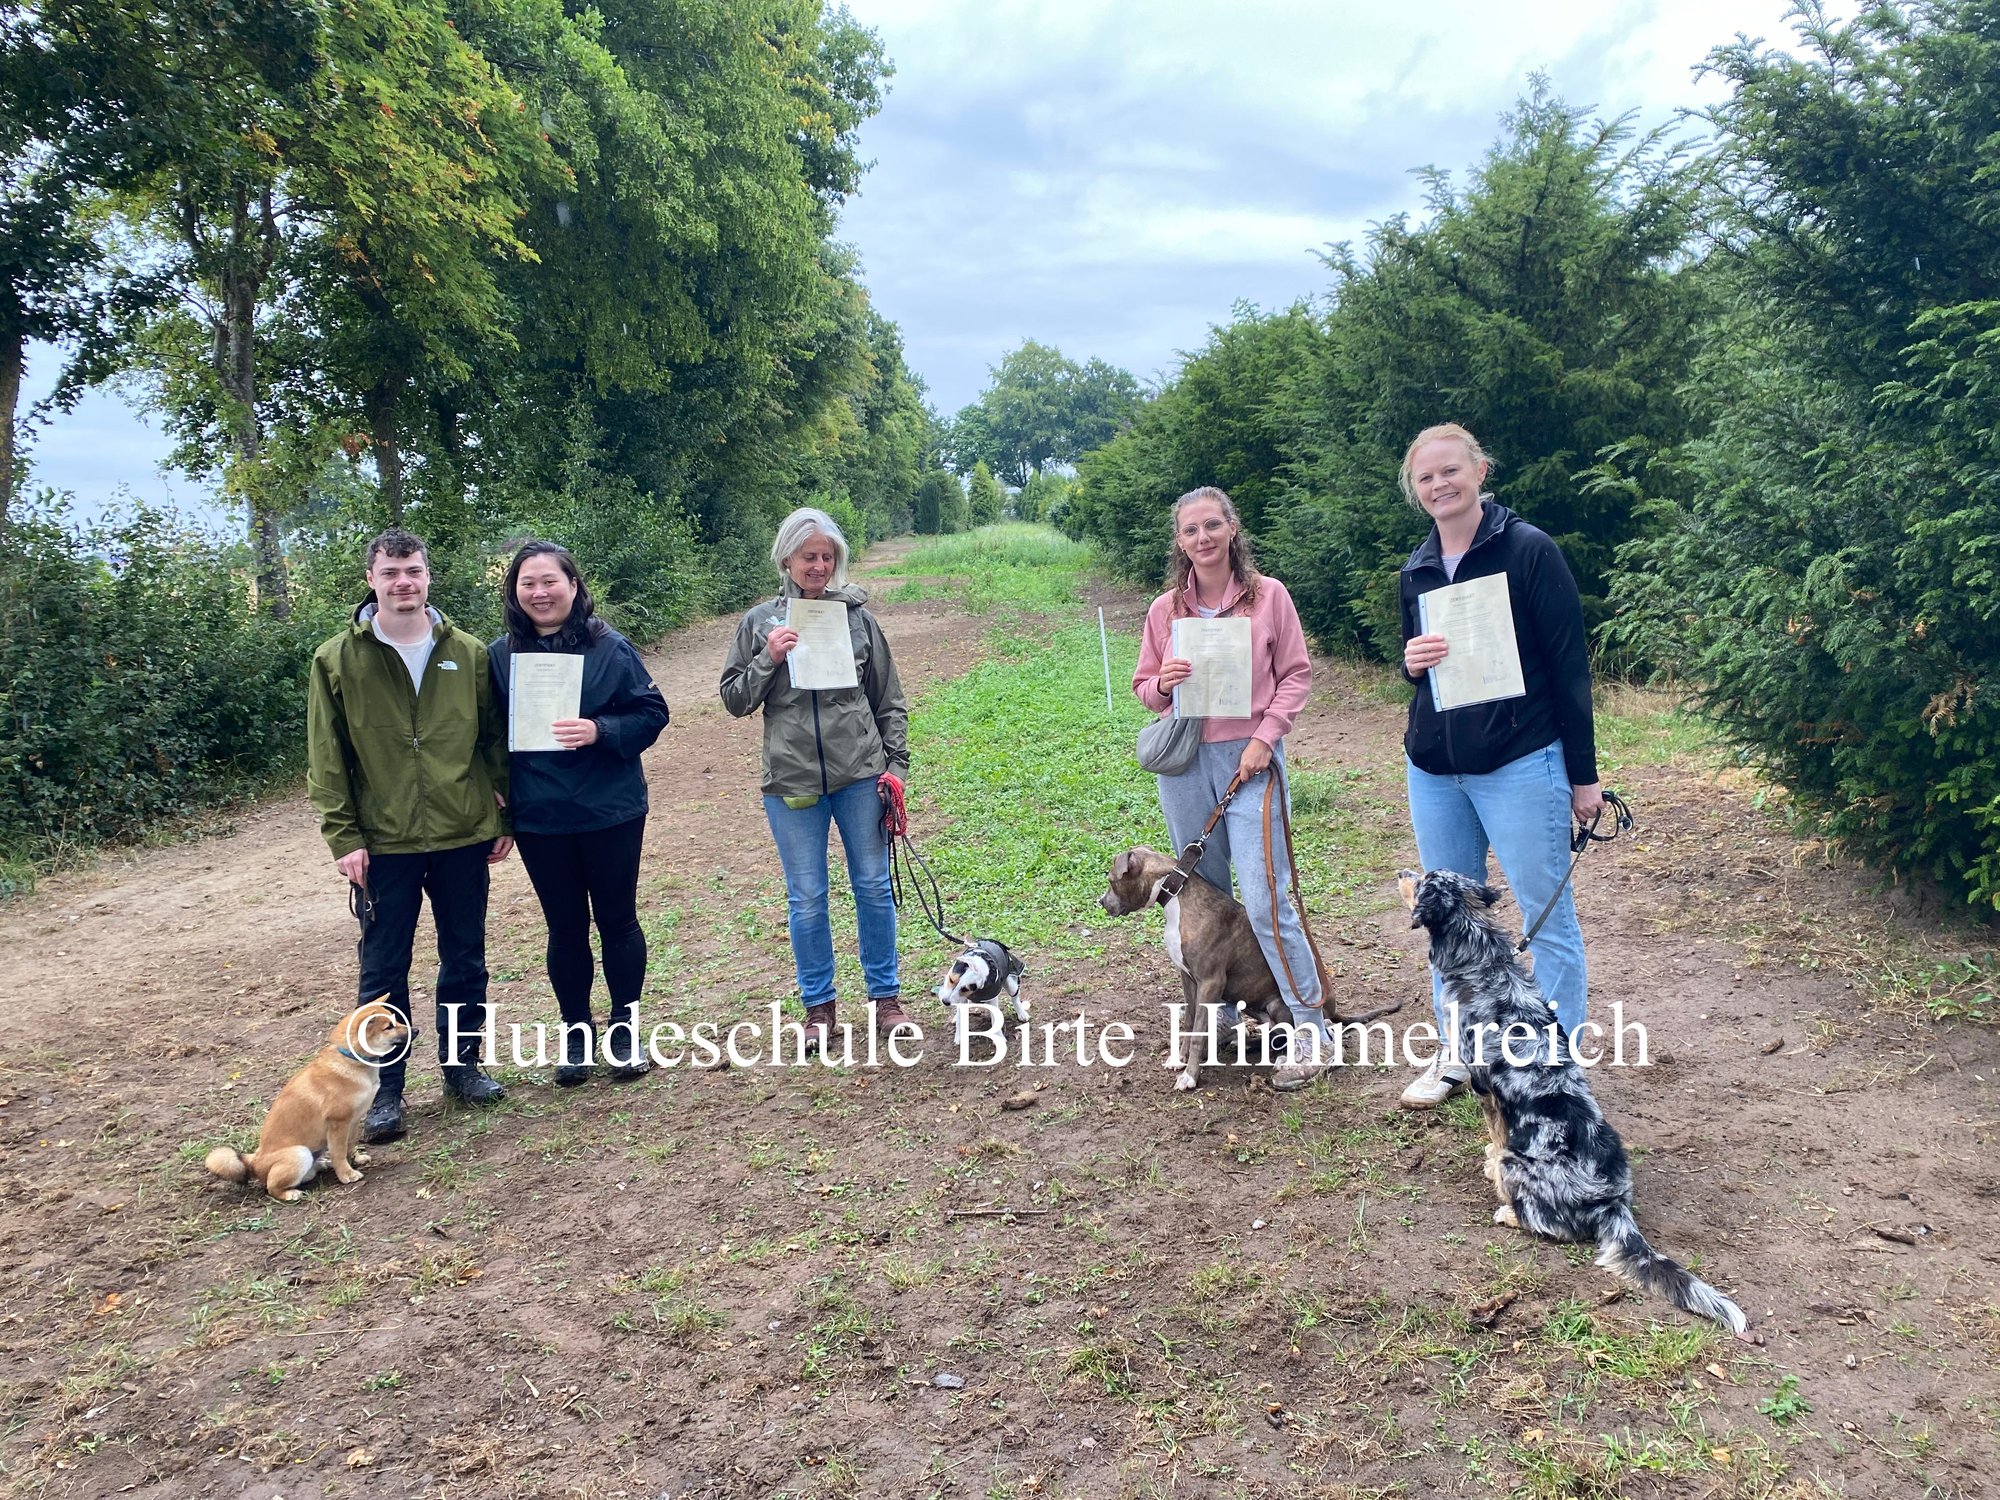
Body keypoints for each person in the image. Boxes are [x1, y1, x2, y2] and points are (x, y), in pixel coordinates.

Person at [1395, 423, 1603, 1109]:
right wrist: (1411, 664)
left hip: (1520, 763)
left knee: (1548, 920)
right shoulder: (1417, 570)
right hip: (1436, 773)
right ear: (1415, 489)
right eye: (1426, 477)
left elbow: (1569, 668)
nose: (1440, 485)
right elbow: (1421, 671)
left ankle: (1556, 1069)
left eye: (1450, 470)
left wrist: (1583, 775)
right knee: (1445, 917)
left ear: (1480, 471)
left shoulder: (1529, 550)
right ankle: (1457, 1055)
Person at [306, 527, 512, 1143]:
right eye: (391, 573)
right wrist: (344, 836)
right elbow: (326, 757)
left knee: (465, 957)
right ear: (371, 580)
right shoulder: (336, 660)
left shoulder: (467, 653)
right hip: (383, 842)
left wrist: (502, 819)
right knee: (383, 970)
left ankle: (463, 1068)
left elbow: (493, 743)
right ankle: (386, 1092)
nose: (404, 583)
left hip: (460, 833)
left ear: (427, 576)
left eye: (413, 571)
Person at [1133, 486, 1333, 1091]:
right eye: (1190, 529)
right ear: (1179, 540)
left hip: (1251, 759)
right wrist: (1163, 684)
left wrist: (1266, 738)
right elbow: (1145, 688)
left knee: (1268, 899)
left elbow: (1295, 674)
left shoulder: (1269, 596)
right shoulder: (1165, 609)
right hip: (1186, 762)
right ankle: (1219, 1012)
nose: (1203, 538)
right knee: (1206, 892)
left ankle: (1310, 1027)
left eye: (1212, 525)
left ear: (1232, 528)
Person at [719, 508, 909, 1053]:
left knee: (873, 887)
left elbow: (888, 699)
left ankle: (885, 999)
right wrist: (768, 658)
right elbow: (734, 698)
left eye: (828, 557)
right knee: (807, 897)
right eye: (809, 557)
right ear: (787, 559)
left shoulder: (858, 620)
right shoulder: (759, 622)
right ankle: (819, 1008)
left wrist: (895, 768)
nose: (819, 566)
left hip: (860, 775)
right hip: (792, 782)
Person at [489, 541, 671, 1086]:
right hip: (539, 815)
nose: (540, 592)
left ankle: (625, 1030)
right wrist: (496, 795)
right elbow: (485, 732)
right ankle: (576, 1034)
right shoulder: (498, 656)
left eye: (550, 581)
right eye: (528, 583)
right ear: (514, 592)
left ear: (573, 586)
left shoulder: (610, 647)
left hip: (609, 809)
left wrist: (599, 730)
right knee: (564, 928)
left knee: (617, 920)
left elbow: (652, 713)